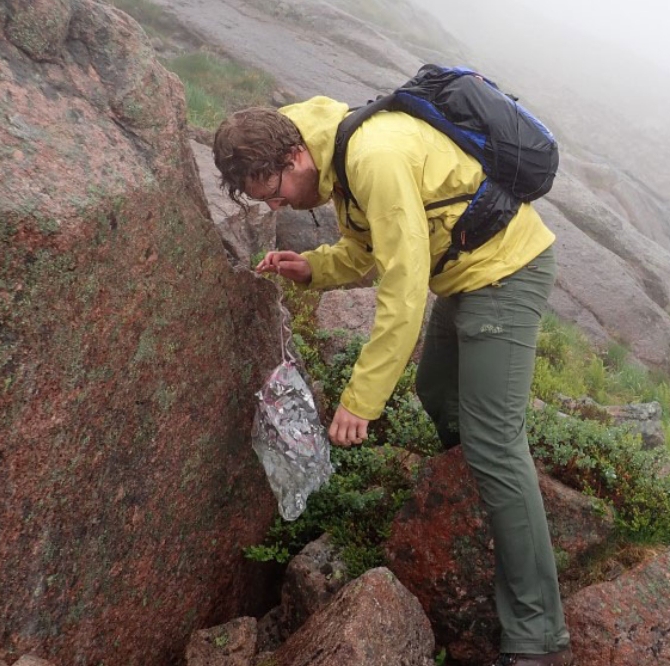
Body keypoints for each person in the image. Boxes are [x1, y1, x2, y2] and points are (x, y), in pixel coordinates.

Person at [212, 97, 572, 666]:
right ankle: (497, 501)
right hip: (463, 274)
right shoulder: (321, 147)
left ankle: (539, 635)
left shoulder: (373, 158)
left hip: (505, 272)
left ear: (296, 153)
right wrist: (313, 267)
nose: (282, 204)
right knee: (437, 393)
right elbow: (367, 248)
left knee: (494, 442)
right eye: (268, 202)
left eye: (279, 193)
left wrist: (361, 401)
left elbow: (403, 291)